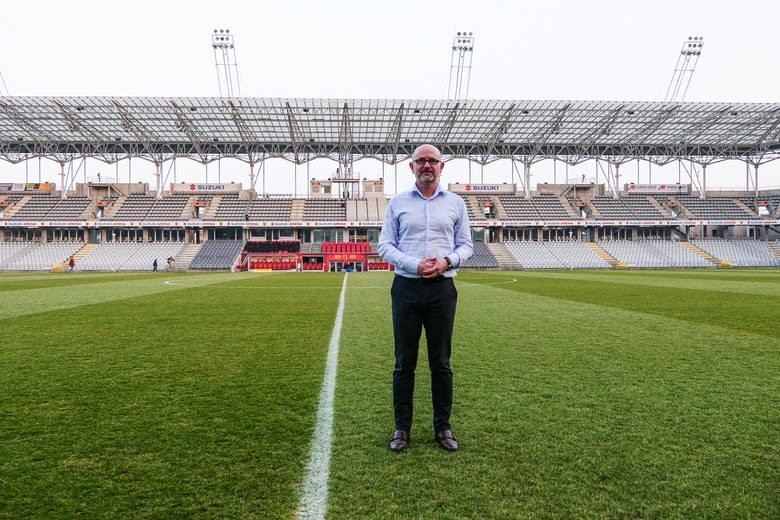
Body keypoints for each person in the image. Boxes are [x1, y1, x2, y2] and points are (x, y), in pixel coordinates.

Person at [377, 144, 473, 453]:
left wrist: (447, 261)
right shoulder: (398, 203)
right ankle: (402, 429)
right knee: (404, 363)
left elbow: (466, 245)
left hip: (442, 290)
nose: (427, 165)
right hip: (406, 287)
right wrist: (413, 264)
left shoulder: (456, 203)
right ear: (412, 167)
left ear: (441, 166)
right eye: (421, 161)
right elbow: (385, 246)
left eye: (432, 161)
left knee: (441, 363)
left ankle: (443, 428)